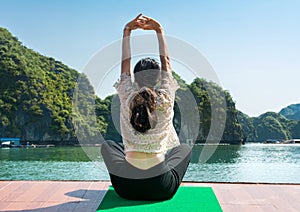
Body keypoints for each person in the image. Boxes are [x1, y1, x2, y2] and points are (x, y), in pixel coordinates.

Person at [101, 14, 191, 201]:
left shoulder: (126, 95)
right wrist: (159, 30)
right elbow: (166, 61)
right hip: (161, 188)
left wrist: (127, 30)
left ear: (133, 78)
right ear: (159, 79)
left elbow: (124, 63)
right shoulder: (166, 97)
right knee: (184, 149)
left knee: (108, 146)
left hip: (126, 187)